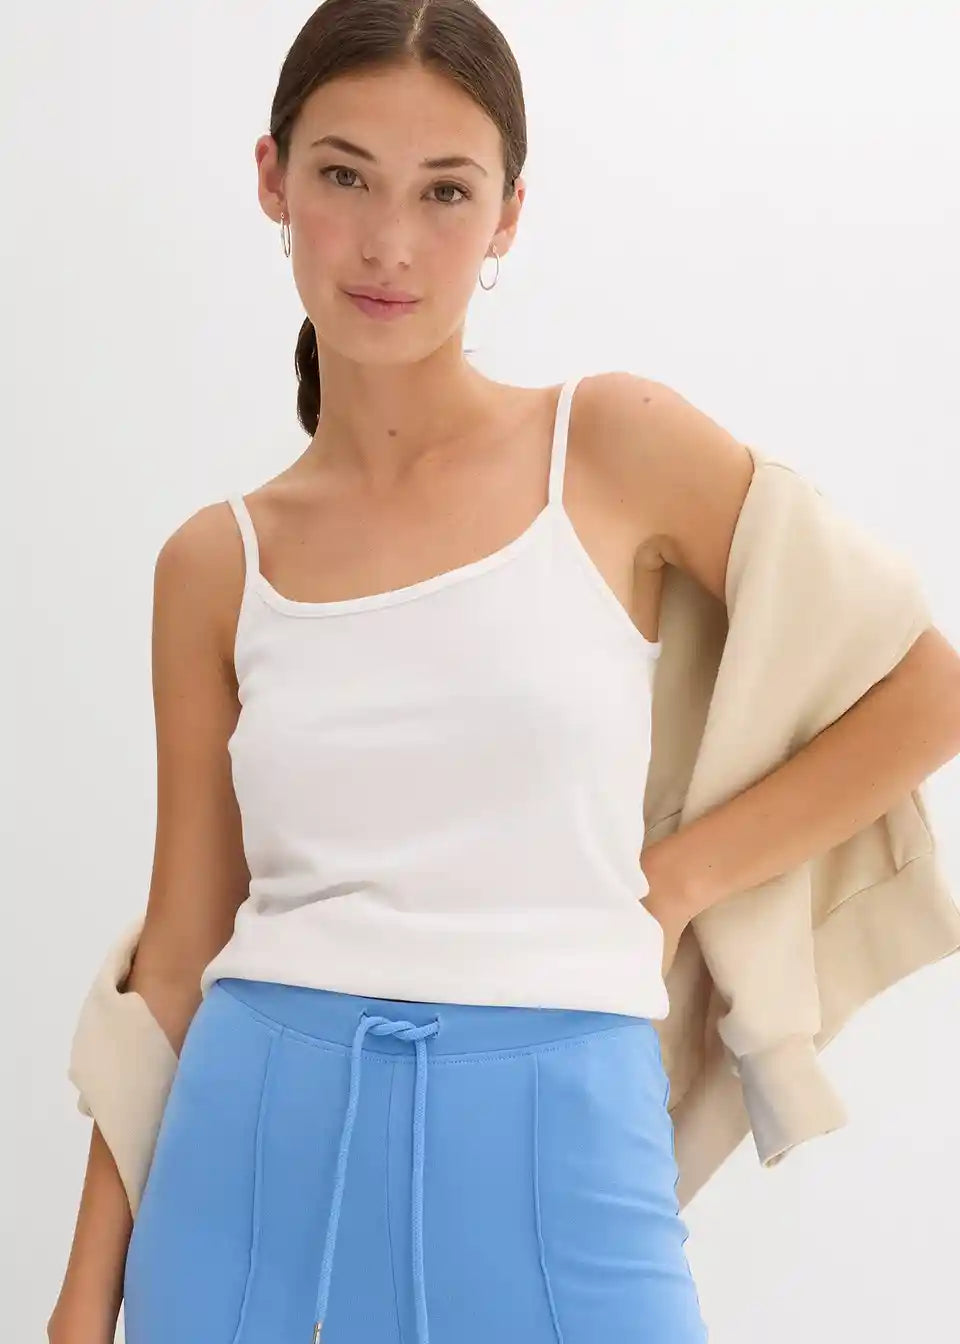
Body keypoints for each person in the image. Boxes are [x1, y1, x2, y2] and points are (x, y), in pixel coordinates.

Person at [48, 1, 761, 1339]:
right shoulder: (215, 562)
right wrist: (84, 1299)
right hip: (250, 1174)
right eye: (344, 176)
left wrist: (680, 879)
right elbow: (180, 950)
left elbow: (919, 684)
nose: (389, 244)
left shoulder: (613, 449)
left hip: (563, 1167)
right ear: (273, 179)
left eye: (445, 191)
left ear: (508, 216)